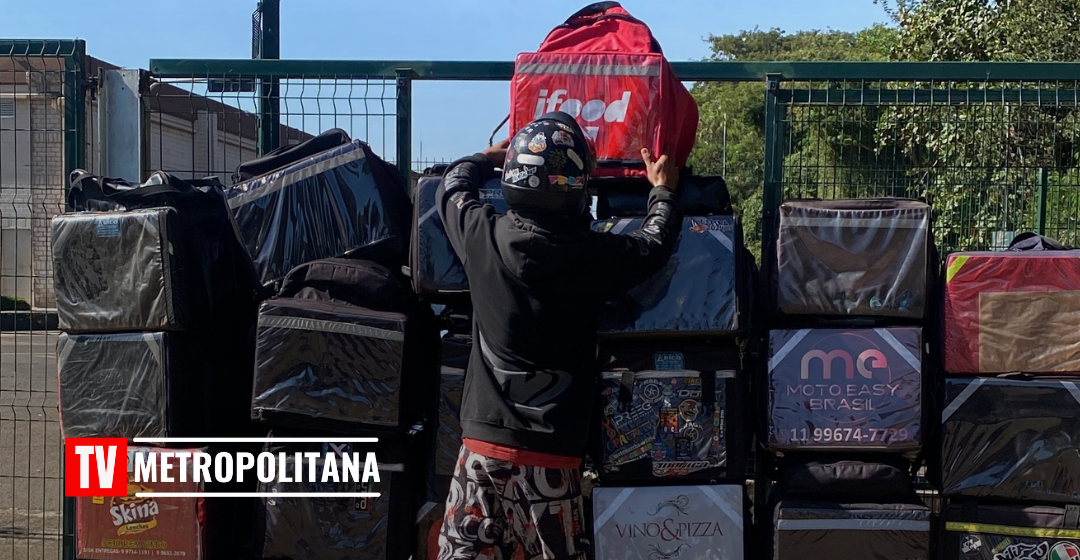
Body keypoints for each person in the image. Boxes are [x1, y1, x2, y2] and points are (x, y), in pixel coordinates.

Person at [436, 111, 683, 560]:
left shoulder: (480, 234)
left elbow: (451, 186)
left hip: (481, 447)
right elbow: (654, 243)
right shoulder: (594, 257)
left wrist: (485, 158)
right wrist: (662, 190)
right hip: (553, 456)